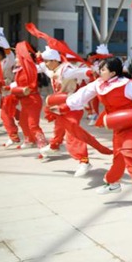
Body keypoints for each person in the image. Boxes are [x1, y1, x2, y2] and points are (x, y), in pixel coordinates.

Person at [59, 57, 132, 209]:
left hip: (131, 125)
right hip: (117, 124)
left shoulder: (126, 85)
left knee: (129, 154)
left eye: (103, 69)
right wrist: (65, 107)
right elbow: (82, 95)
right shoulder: (98, 84)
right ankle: (113, 183)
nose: (100, 72)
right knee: (118, 157)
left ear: (112, 73)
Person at [37, 47, 91, 175]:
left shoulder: (67, 71)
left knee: (72, 134)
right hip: (61, 106)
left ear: (55, 60)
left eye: (48, 61)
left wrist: (92, 71)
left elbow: (82, 72)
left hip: (73, 106)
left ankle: (84, 161)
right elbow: (39, 67)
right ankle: (54, 147)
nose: (46, 64)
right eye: (45, 61)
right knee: (58, 127)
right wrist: (37, 57)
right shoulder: (51, 70)